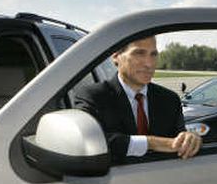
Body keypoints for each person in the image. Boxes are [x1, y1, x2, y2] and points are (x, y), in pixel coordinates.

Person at [74, 36, 202, 163]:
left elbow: (180, 140)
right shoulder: (93, 96)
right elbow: (90, 141)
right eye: (139, 53)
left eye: (153, 54)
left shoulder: (170, 100)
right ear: (116, 56)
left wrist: (191, 139)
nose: (149, 63)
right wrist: (151, 143)